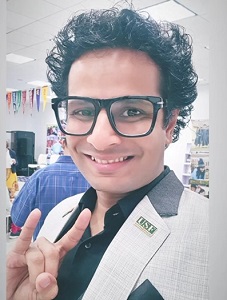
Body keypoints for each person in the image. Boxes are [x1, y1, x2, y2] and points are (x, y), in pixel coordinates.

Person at [7, 7, 208, 300]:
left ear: (169, 125)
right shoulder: (57, 216)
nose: (100, 140)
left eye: (131, 111)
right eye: (83, 111)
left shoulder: (213, 238)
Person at [10, 137, 90, 240]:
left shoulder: (39, 177)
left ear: (62, 143)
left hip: (43, 250)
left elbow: (17, 218)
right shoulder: (96, 180)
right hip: (84, 253)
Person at [6, 140, 22, 239]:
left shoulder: (11, 152)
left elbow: (17, 163)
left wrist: (14, 162)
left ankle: (15, 228)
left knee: (11, 196)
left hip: (10, 174)